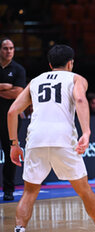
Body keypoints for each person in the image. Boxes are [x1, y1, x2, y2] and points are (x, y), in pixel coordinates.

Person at [7, 45, 95, 232]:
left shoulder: (35, 81)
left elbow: (12, 111)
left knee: (30, 191)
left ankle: (19, 229)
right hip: (63, 138)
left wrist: (14, 144)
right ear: (70, 63)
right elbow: (81, 100)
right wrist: (86, 132)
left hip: (36, 139)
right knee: (83, 189)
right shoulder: (76, 78)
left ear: (50, 64)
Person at [0, 38, 26, 201]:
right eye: (5, 48)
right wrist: (5, 87)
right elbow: (12, 89)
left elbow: (18, 93)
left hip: (10, 119)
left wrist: (6, 88)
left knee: (11, 153)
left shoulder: (18, 69)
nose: (9, 51)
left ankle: (9, 190)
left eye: (11, 48)